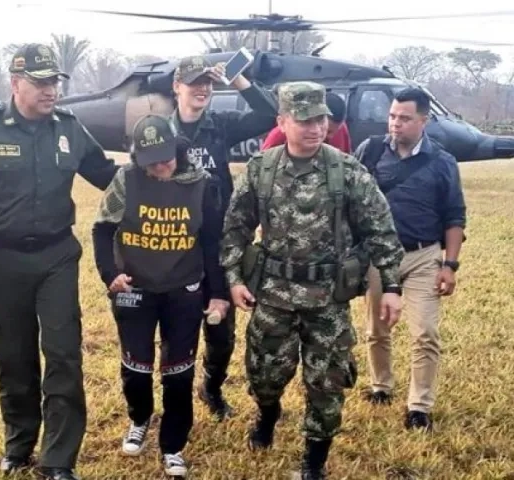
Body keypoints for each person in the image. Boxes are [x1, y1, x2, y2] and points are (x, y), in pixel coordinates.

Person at [0, 43, 118, 480]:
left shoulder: (71, 129)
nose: (51, 91)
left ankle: (58, 460)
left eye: (54, 82)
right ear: (15, 83)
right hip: (1, 259)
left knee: (63, 354)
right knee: (14, 355)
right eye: (41, 83)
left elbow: (109, 178)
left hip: (57, 256)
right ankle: (19, 444)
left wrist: (160, 177)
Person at [219, 81, 404, 479]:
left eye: (320, 119)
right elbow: (235, 228)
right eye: (303, 120)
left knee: (328, 384)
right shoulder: (261, 170)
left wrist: (391, 286)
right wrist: (234, 277)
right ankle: (268, 415)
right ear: (282, 121)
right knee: (264, 378)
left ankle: (314, 460)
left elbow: (381, 229)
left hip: (327, 300)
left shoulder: (346, 170)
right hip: (273, 296)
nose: (315, 128)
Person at [91, 114, 229, 478]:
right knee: (136, 368)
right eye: (151, 161)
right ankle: (139, 418)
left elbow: (213, 241)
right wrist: (110, 275)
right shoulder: (126, 180)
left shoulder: (200, 183)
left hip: (183, 288)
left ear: (177, 150)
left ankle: (173, 445)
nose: (161, 166)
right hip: (134, 288)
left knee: (178, 373)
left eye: (166, 157)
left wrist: (219, 293)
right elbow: (103, 230)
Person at [168, 55, 279, 420]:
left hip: (219, 242)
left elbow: (268, 115)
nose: (202, 89)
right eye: (194, 82)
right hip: (177, 243)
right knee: (177, 327)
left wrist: (239, 80)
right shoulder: (161, 132)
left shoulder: (221, 125)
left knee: (222, 330)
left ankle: (212, 388)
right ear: (176, 87)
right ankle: (175, 395)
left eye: (208, 83)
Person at [354, 87, 467, 432]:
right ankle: (381, 386)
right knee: (377, 329)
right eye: (392, 116)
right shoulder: (370, 152)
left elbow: (455, 217)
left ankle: (419, 406)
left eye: (404, 118)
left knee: (426, 333)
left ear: (424, 120)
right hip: (379, 256)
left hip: (423, 255)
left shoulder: (443, 162)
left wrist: (449, 265)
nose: (395, 124)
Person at [261, 91, 352, 153]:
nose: (330, 136)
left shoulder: (338, 127)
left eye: (336, 131)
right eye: (328, 131)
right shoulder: (280, 135)